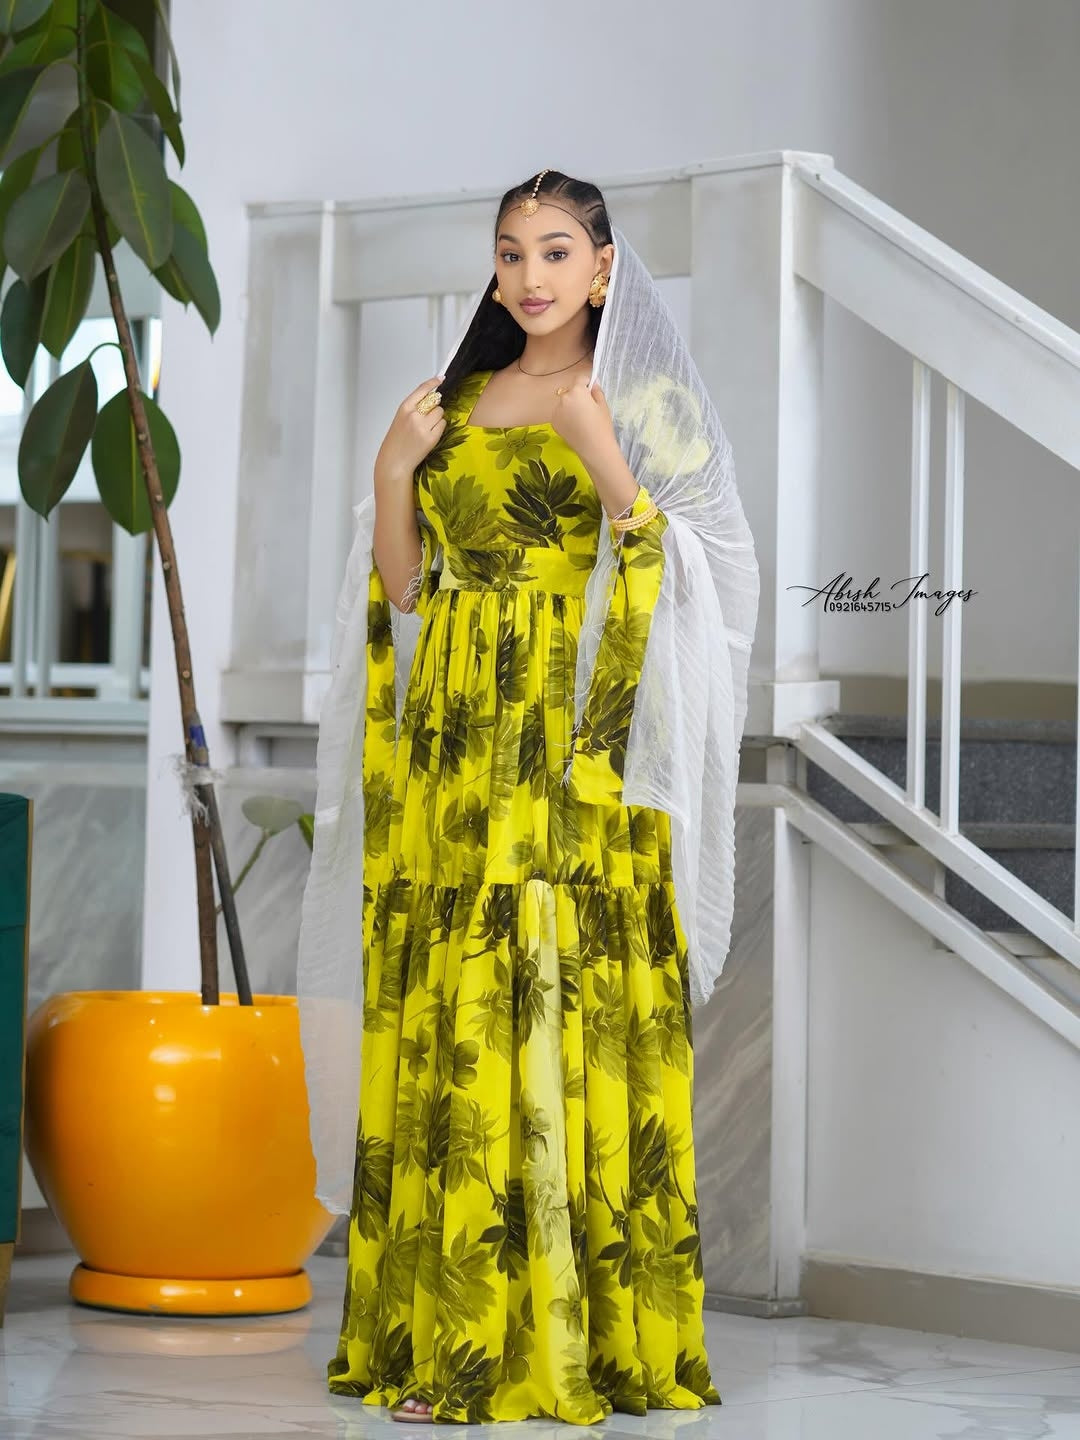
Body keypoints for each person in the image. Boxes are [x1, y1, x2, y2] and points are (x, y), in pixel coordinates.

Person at [297, 168, 758, 1425]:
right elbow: (402, 590)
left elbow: (707, 569)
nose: (531, 275)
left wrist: (612, 466)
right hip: (453, 736)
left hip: (573, 741)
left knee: (550, 987)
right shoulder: (452, 400)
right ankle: (443, 1331)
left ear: (605, 266)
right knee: (456, 992)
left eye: (556, 250)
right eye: (510, 253)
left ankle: (560, 1339)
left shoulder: (638, 395)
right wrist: (397, 470)